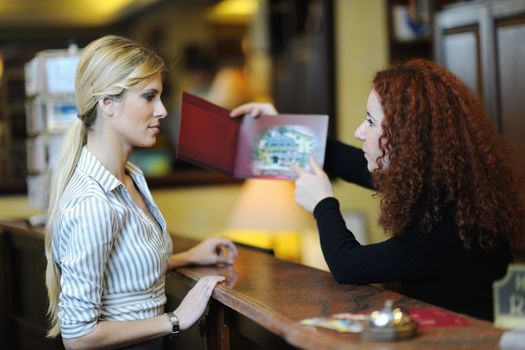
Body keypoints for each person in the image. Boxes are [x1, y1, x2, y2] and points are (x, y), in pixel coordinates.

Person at [230, 59, 523, 321]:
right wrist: (280, 126)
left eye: (370, 121)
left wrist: (323, 203)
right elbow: (350, 163)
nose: (359, 132)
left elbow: (349, 266)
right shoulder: (433, 182)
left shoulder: (452, 220)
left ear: (408, 137)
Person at [44, 35, 238, 350]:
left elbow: (123, 273)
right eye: (149, 97)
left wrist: (191, 256)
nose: (162, 110)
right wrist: (177, 319)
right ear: (107, 103)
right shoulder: (92, 202)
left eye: (160, 96)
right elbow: (77, 338)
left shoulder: (129, 176)